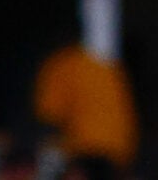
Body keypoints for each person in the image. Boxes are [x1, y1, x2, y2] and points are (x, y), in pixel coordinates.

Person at [32, 36, 136, 170]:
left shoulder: (62, 64)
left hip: (85, 149)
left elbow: (49, 113)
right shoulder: (109, 69)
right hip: (117, 150)